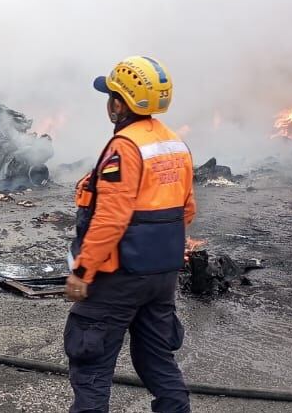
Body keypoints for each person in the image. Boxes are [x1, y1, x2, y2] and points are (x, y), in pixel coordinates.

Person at [65, 56, 196, 413]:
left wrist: (82, 270)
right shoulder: (175, 145)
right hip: (162, 276)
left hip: (119, 276)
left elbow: (110, 217)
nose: (108, 103)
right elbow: (187, 210)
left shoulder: (125, 148)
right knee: (156, 359)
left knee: (91, 362)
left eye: (111, 96)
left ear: (120, 104)